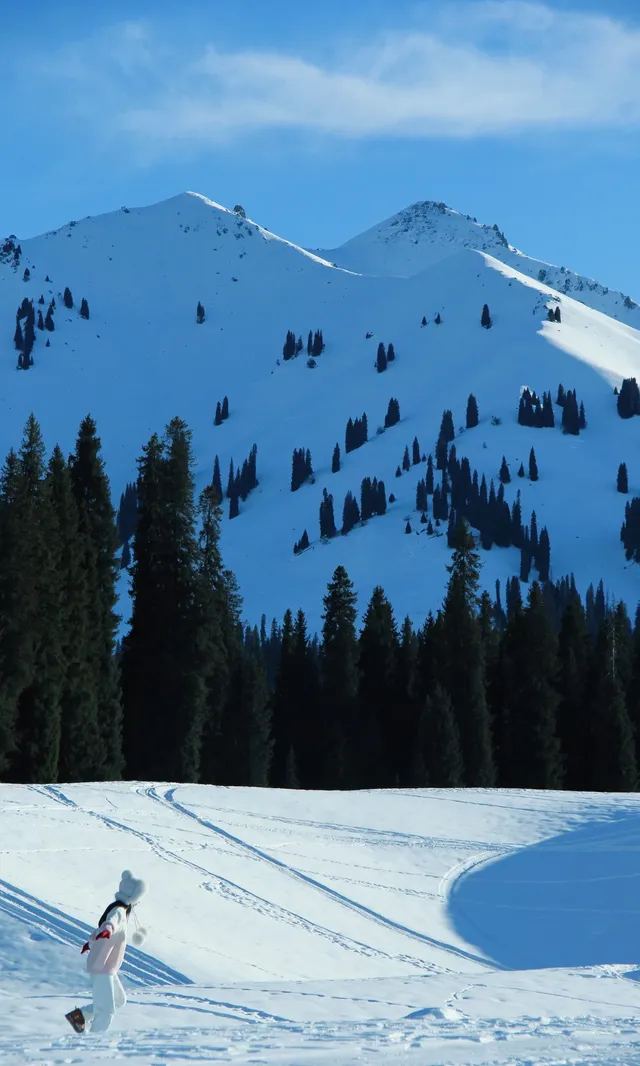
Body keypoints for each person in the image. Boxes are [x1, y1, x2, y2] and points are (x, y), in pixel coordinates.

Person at [66, 869, 147, 1035]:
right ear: (133, 896)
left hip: (108, 965)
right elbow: (110, 923)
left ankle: (79, 1016)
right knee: (106, 1010)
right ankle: (95, 1040)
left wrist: (91, 943)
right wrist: (108, 930)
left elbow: (101, 930)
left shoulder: (122, 910)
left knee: (119, 1000)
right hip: (102, 967)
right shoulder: (118, 911)